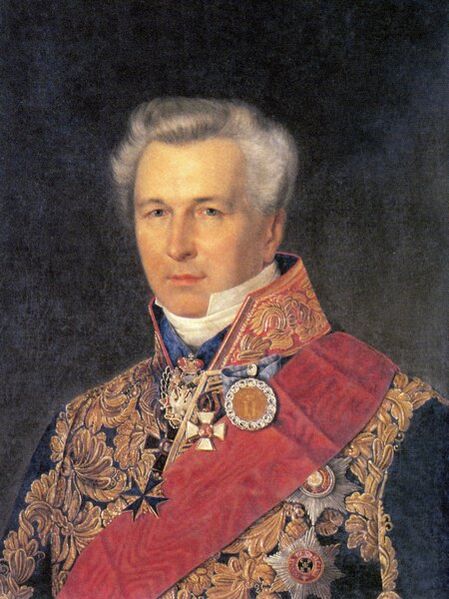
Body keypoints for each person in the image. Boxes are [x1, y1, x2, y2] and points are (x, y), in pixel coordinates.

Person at [1, 98, 447, 599]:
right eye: (157, 212)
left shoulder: (403, 422)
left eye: (208, 212)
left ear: (269, 230)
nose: (177, 245)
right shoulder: (79, 427)